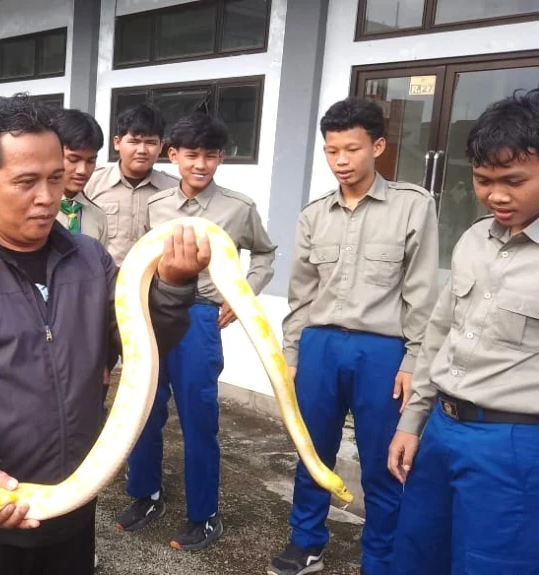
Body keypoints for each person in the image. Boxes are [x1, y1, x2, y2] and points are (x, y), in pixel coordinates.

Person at [0, 94, 207, 575]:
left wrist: (172, 287)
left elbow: (137, 346)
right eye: (26, 182)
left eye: (55, 178)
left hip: (71, 504)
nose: (48, 197)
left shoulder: (91, 260)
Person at [268, 98, 439, 575]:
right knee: (312, 450)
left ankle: (381, 558)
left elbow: (422, 294)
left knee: (385, 462)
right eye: (331, 151)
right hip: (321, 346)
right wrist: (293, 353)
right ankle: (306, 541)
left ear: (378, 147)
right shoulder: (314, 215)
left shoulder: (412, 206)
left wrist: (413, 362)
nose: (340, 161)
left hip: (382, 351)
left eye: (351, 149)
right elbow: (301, 295)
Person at [387, 88, 539, 574]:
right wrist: (412, 422)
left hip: (515, 446)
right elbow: (441, 334)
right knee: (416, 553)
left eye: (513, 181)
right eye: (482, 180)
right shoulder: (474, 238)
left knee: (492, 564)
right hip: (443, 431)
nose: (496, 194)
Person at [119, 112, 277, 550]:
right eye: (191, 154)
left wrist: (243, 293)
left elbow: (265, 254)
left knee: (198, 419)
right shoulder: (156, 207)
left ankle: (203, 514)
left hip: (201, 318)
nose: (201, 164)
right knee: (144, 411)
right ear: (174, 155)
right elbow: (142, 261)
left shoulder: (238, 208)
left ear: (222, 157)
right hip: (155, 315)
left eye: (211, 155)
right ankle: (146, 495)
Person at [85, 102, 178, 265]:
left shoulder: (174, 190)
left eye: (150, 143)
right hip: (103, 282)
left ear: (161, 146)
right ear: (117, 143)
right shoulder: (90, 184)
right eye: (134, 141)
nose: (142, 150)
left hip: (154, 284)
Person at [52, 109, 106, 244]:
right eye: (73, 159)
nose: (82, 170)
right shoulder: (32, 209)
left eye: (90, 161)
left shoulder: (98, 217)